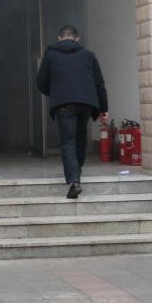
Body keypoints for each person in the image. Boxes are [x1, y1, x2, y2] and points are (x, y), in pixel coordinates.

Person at [36, 25, 109, 199]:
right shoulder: (88, 55)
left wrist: (55, 93)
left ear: (59, 38)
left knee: (68, 141)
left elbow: (41, 81)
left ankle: (74, 181)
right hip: (86, 103)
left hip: (64, 103)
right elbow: (99, 83)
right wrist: (104, 108)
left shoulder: (51, 54)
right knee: (81, 138)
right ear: (77, 39)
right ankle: (77, 171)